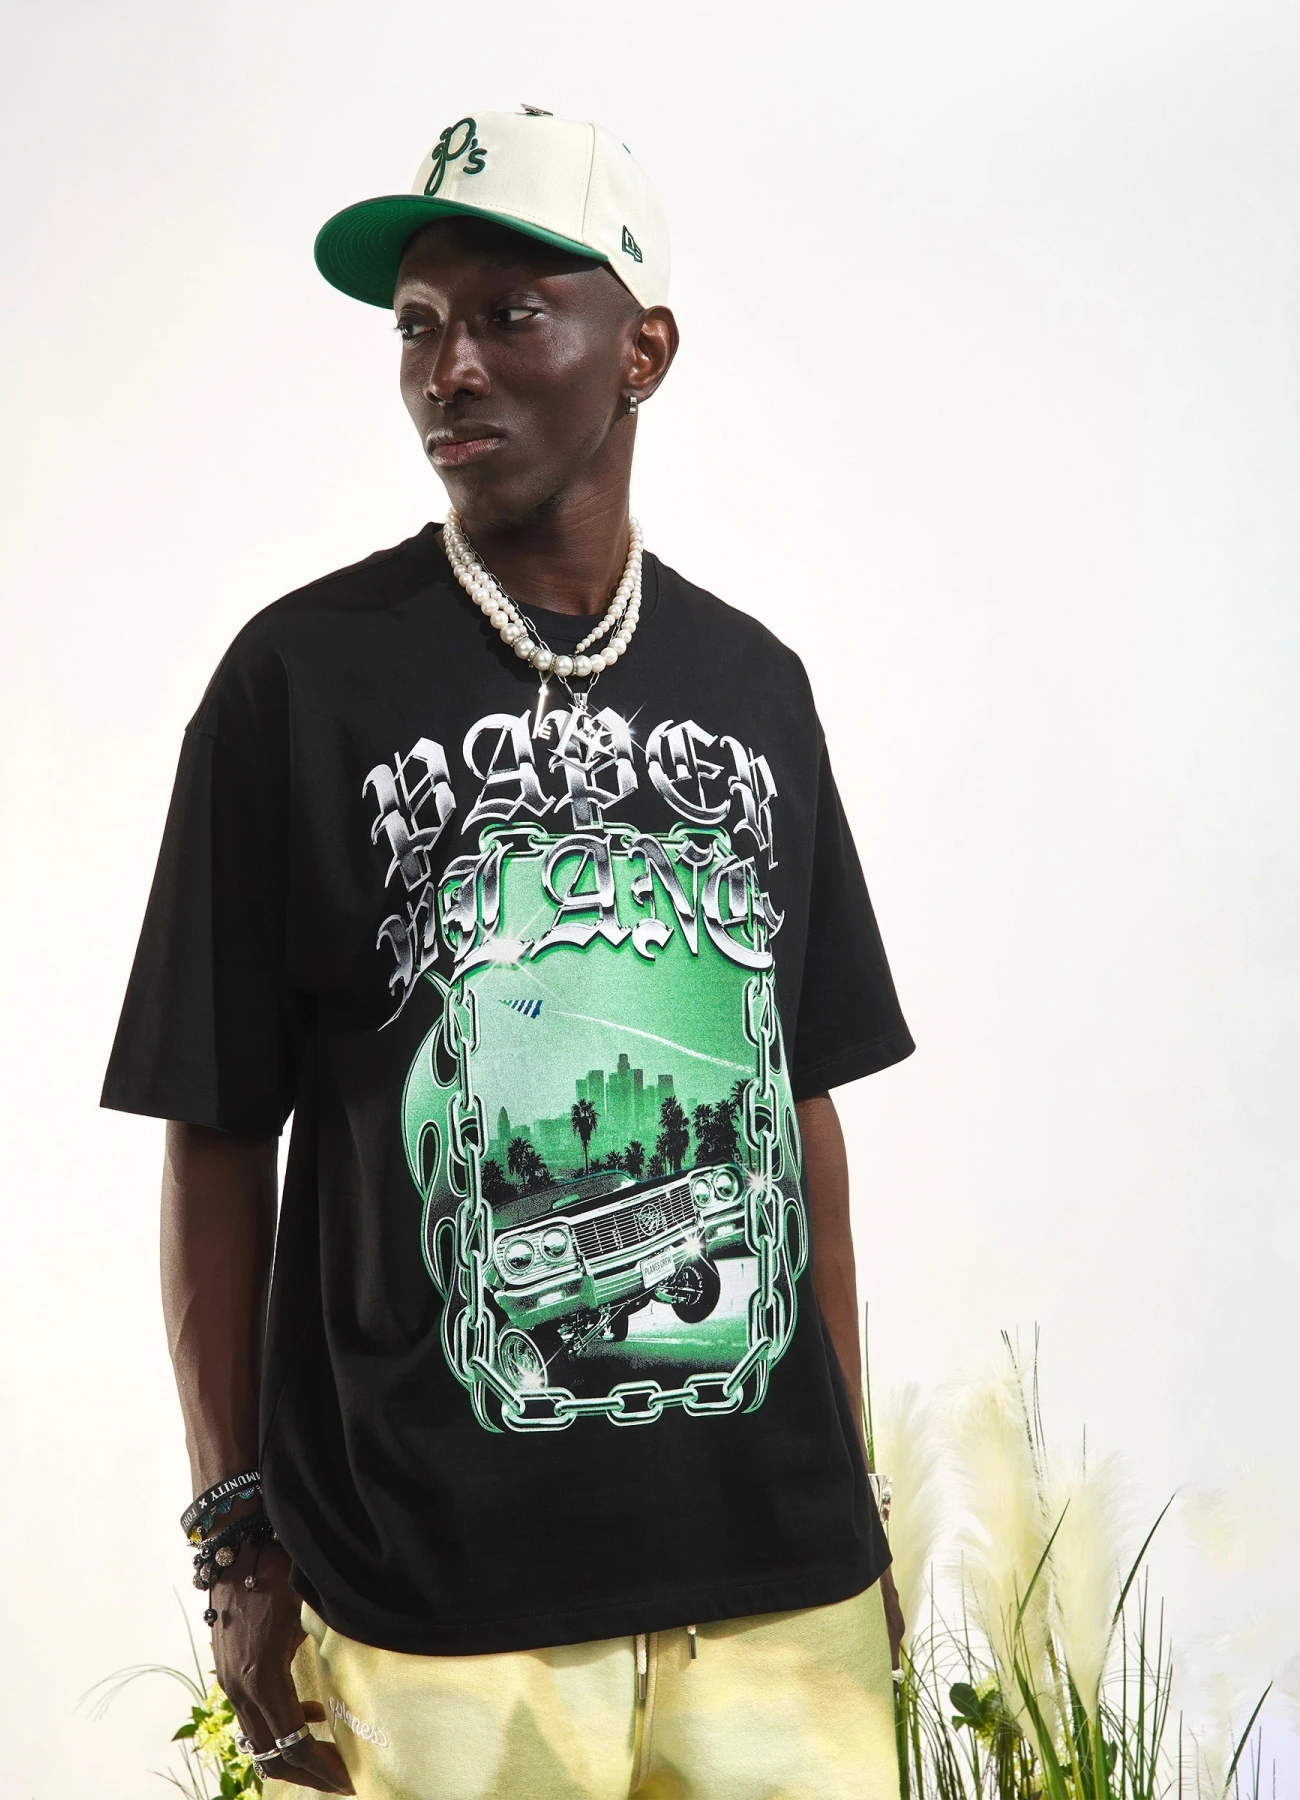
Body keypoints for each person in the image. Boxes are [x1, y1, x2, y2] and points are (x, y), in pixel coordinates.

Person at [104, 107, 915, 1800]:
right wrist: (234, 1539)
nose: (448, 369)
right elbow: (214, 1136)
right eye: (417, 326)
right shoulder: (297, 683)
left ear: (643, 351)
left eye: (506, 315)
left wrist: (855, 1508)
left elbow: (801, 1115)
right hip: (438, 1613)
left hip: (781, 1599)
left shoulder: (758, 689)